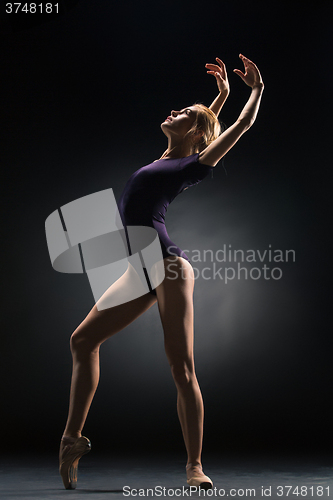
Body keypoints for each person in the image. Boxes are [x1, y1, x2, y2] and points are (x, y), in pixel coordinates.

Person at [59, 54, 264, 490]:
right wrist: (220, 95)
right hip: (139, 269)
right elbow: (204, 123)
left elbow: (234, 129)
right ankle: (71, 439)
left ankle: (194, 466)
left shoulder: (192, 165)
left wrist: (254, 92)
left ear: (194, 133)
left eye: (183, 114)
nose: (173, 112)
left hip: (168, 267)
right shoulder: (167, 157)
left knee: (181, 367)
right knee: (82, 340)